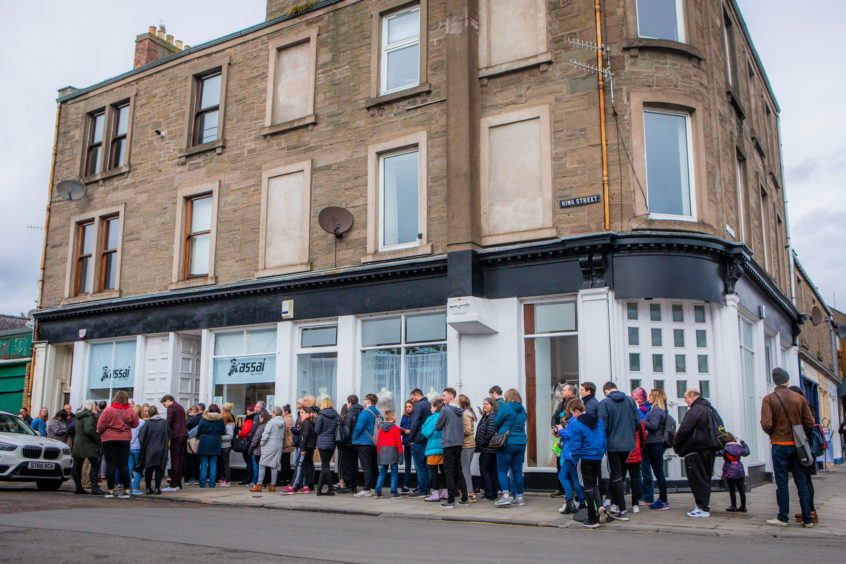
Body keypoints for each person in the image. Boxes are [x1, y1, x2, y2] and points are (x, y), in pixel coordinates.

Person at [760, 368, 815, 528]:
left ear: (775, 381)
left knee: (782, 482)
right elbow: (810, 422)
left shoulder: (769, 399)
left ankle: (783, 517)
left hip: (779, 445)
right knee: (801, 482)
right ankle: (807, 518)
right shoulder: (799, 398)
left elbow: (766, 423)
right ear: (787, 380)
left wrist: (773, 433)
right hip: (798, 446)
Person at [597, 381, 639, 521]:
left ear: (606, 391)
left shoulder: (605, 403)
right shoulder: (630, 401)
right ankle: (616, 504)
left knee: (615, 475)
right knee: (620, 473)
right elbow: (637, 423)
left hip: (613, 444)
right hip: (628, 444)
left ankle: (621, 508)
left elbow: (603, 426)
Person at [673, 389, 717, 518]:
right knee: (705, 478)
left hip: (695, 449)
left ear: (692, 397)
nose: (685, 400)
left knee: (697, 479)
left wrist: (676, 443)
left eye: (685, 397)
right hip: (709, 449)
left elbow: (685, 428)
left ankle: (701, 507)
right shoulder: (710, 409)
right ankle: (703, 505)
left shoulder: (695, 410)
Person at [569, 399, 608, 528]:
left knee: (587, 487)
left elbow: (575, 444)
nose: (572, 416)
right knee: (595, 484)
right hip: (597, 456)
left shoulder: (577, 424)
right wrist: (601, 452)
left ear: (576, 411)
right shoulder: (598, 421)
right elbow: (603, 439)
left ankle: (592, 518)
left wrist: (575, 460)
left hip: (584, 457)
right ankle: (600, 506)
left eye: (572, 413)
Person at [97, 390, 140, 498]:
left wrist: (102, 433)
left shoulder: (108, 410)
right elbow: (135, 424)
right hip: (124, 439)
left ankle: (110, 490)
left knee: (111, 465)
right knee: (124, 465)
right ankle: (126, 490)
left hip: (109, 439)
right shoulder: (130, 411)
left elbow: (100, 425)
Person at [493, 388, 527, 508]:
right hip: (521, 442)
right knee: (517, 471)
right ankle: (519, 497)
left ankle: (506, 496)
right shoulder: (522, 409)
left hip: (507, 442)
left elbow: (496, 422)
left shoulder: (506, 407)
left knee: (502, 470)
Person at [435, 388, 469, 509]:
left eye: (444, 396)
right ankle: (465, 498)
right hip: (458, 443)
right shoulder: (459, 410)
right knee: (459, 471)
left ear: (451, 396)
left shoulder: (445, 410)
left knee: (448, 472)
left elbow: (438, 426)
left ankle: (450, 500)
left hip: (449, 444)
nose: (442, 398)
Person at [789, 385, 818, 524]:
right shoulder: (808, 407)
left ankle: (810, 512)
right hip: (806, 448)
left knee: (805, 482)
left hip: (803, 449)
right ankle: (810, 511)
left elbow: (806, 428)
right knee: (807, 481)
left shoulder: (803, 409)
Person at [556, 398, 585, 515]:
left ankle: (575, 501)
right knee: (564, 476)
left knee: (572, 478)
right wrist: (562, 444)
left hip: (570, 454)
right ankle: (573, 501)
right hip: (569, 452)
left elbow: (571, 435)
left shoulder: (573, 420)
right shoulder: (576, 420)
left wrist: (561, 430)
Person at [644, 388, 670, 510]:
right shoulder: (663, 410)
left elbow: (653, 426)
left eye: (650, 395)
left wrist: (642, 421)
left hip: (654, 443)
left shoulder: (656, 411)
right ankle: (662, 499)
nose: (648, 397)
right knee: (659, 472)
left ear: (655, 397)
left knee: (658, 472)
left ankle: (663, 500)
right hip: (658, 443)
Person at [71, 400, 104, 495]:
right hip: (88, 444)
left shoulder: (78, 416)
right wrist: (97, 439)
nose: (97, 408)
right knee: (95, 465)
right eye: (95, 406)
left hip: (78, 443)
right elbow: (89, 430)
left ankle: (78, 487)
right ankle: (94, 487)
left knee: (78, 466)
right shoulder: (89, 416)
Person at [550, 383, 577, 498]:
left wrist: (562, 430)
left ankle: (573, 492)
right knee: (559, 463)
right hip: (561, 437)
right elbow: (554, 417)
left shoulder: (575, 404)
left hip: (569, 439)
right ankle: (561, 488)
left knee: (569, 466)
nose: (562, 392)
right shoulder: (561, 404)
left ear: (571, 392)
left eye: (565, 390)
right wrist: (554, 428)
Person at [252, 406, 287, 492]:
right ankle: (272, 485)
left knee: (262, 465)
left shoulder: (271, 422)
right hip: (278, 445)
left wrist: (262, 443)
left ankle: (259, 485)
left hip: (269, 445)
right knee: (274, 465)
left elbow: (266, 434)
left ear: (274, 413)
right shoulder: (283, 422)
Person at [352, 394, 381, 497]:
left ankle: (366, 488)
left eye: (364, 400)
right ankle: (374, 487)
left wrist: (354, 438)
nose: (363, 401)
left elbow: (358, 427)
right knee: (374, 466)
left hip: (364, 442)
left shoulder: (365, 413)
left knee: (366, 466)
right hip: (375, 443)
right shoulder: (378, 413)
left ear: (368, 401)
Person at [138, 405, 170, 495]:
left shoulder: (147, 423)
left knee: (149, 469)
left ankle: (148, 488)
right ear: (157, 412)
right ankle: (157, 488)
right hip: (161, 448)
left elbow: (141, 438)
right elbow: (169, 433)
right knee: (159, 470)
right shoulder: (164, 422)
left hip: (149, 449)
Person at [716, 432, 750, 513]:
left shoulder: (725, 448)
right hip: (739, 469)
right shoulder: (739, 447)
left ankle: (733, 506)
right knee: (741, 490)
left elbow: (718, 453)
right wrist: (743, 443)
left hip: (729, 470)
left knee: (732, 490)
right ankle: (743, 506)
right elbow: (747, 452)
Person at [160, 395, 187, 492]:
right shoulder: (179, 406)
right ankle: (178, 483)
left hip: (176, 435)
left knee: (175, 460)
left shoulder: (172, 407)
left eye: (164, 404)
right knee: (178, 460)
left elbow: (169, 422)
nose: (165, 406)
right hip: (182, 434)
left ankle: (173, 484)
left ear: (167, 400)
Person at [407, 389, 431, 498]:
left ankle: (422, 489)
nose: (413, 401)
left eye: (413, 398)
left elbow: (415, 422)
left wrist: (411, 438)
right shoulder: (429, 404)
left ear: (417, 395)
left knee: (420, 466)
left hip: (418, 439)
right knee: (427, 466)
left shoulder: (418, 406)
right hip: (428, 438)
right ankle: (428, 489)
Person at [337, 395, 364, 494]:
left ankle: (349, 485)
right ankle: (355, 485)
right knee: (355, 464)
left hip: (349, 442)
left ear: (349, 402)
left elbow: (346, 429)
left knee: (348, 464)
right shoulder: (362, 411)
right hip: (359, 441)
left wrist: (342, 441)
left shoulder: (349, 413)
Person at [631, 386, 653, 505]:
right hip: (639, 445)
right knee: (639, 471)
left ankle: (647, 496)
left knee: (646, 470)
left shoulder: (647, 409)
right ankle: (640, 495)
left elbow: (641, 422)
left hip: (645, 444)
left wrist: (637, 409)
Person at [374, 409, 403, 497]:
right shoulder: (395, 428)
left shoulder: (382, 429)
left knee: (382, 472)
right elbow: (398, 443)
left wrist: (378, 455)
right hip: (393, 452)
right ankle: (393, 491)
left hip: (383, 452)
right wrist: (401, 455)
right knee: (394, 472)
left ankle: (377, 490)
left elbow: (379, 443)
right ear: (393, 417)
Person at [422, 399, 446, 502]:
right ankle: (446, 491)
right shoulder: (446, 416)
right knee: (444, 471)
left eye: (431, 407)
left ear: (435, 407)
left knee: (434, 471)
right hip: (444, 446)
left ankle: (435, 493)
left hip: (433, 447)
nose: (430, 409)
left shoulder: (432, 418)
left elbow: (426, 432)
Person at [314, 397, 339, 495]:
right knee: (325, 465)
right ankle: (319, 490)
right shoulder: (336, 415)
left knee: (325, 466)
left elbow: (317, 430)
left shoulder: (321, 415)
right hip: (332, 443)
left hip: (322, 443)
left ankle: (330, 489)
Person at [475, 397, 499, 501]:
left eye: (487, 404)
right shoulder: (486, 416)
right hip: (488, 449)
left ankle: (489, 493)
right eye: (484, 404)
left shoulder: (492, 417)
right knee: (491, 470)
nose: (484, 406)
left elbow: (490, 432)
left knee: (485, 469)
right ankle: (493, 493)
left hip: (488, 449)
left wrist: (483, 443)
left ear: (492, 406)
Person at [196, 404, 225, 488]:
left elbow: (199, 429)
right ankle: (212, 484)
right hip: (215, 441)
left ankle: (202, 483)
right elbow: (223, 431)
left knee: (204, 463)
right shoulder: (220, 419)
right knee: (213, 464)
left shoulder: (204, 418)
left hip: (204, 441)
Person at [290, 405, 317, 493]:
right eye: (300, 413)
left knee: (300, 465)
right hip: (311, 447)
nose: (300, 414)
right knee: (306, 466)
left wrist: (302, 449)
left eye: (302, 412)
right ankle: (306, 486)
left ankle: (294, 485)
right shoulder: (311, 421)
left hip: (306, 447)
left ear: (307, 413)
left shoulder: (306, 422)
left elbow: (304, 437)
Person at [458, 394, 477, 502]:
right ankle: (468, 491)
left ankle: (470, 493)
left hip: (467, 445)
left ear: (461, 403)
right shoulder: (469, 412)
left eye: (457, 401)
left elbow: (468, 430)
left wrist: (457, 430)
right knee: (466, 469)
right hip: (469, 444)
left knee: (465, 469)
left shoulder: (465, 414)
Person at [127, 404, 146, 495]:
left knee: (129, 468)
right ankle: (135, 488)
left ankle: (129, 487)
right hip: (138, 447)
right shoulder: (142, 422)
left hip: (128, 447)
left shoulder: (128, 422)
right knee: (139, 469)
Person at [249, 411, 270, 488]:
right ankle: (266, 483)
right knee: (267, 467)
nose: (259, 419)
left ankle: (261, 483)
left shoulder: (261, 427)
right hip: (267, 449)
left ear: (263, 418)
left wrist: (252, 446)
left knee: (260, 466)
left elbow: (256, 438)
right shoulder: (269, 425)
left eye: (260, 418)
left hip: (259, 450)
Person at [218, 403, 235, 487]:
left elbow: (230, 436)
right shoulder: (227, 424)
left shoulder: (229, 425)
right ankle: (223, 479)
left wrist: (220, 437)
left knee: (226, 464)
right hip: (222, 446)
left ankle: (227, 481)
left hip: (226, 446)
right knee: (222, 463)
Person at [400, 400, 414, 494]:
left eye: (410, 406)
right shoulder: (404, 416)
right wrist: (402, 430)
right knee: (407, 465)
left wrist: (410, 431)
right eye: (407, 406)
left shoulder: (415, 416)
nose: (408, 408)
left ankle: (420, 485)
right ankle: (405, 485)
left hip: (414, 443)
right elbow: (401, 427)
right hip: (406, 443)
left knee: (417, 465)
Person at [281, 405, 295, 484]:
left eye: (282, 411)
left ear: (286, 412)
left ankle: (286, 478)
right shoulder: (288, 418)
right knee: (286, 461)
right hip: (288, 443)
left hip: (286, 443)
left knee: (285, 462)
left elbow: (284, 432)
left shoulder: (287, 419)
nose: (281, 413)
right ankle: (287, 478)